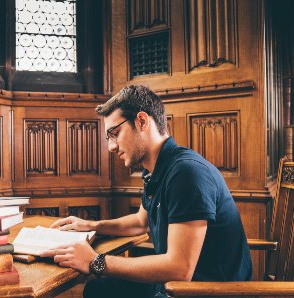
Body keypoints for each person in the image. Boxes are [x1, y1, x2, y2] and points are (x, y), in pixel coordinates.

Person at [40, 85, 253, 297]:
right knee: (96, 291)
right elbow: (141, 221)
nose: (111, 147)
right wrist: (91, 225)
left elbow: (180, 269)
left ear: (142, 121)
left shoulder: (187, 174)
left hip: (203, 292)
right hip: (172, 286)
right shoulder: (159, 168)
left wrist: (96, 261)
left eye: (114, 134)